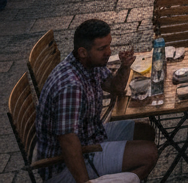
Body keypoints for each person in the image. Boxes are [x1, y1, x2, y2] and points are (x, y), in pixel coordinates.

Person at [35, 18, 159, 183]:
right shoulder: (71, 88)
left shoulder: (89, 64)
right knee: (149, 154)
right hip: (65, 166)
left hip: (92, 135)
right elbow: (68, 143)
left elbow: (115, 87)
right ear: (83, 52)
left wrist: (124, 66)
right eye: (102, 48)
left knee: (146, 131)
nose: (108, 52)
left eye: (109, 45)